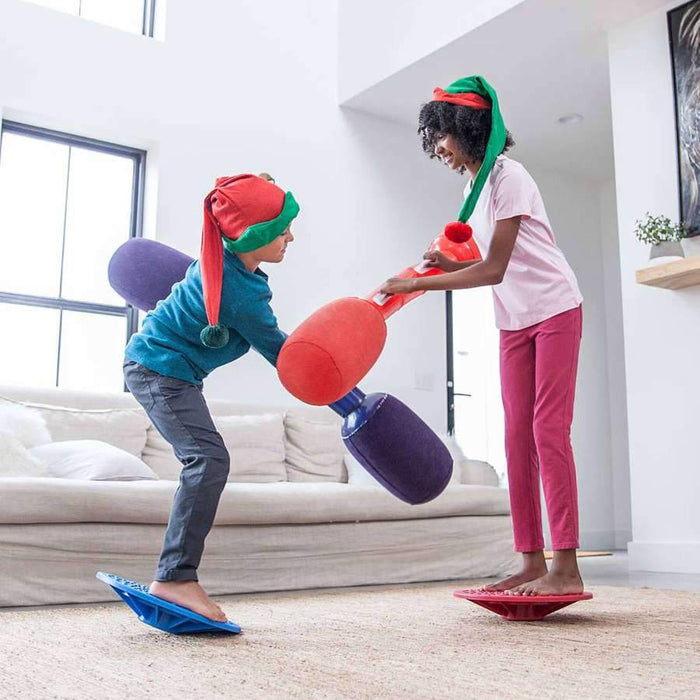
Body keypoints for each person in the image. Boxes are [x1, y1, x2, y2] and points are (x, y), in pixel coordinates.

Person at [380, 76, 584, 596]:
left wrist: (417, 283)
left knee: (547, 431)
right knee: (516, 436)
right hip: (513, 318)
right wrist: (444, 264)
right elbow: (487, 265)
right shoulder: (472, 188)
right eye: (434, 139)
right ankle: (531, 562)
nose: (439, 148)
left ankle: (566, 566)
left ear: (468, 129)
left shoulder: (510, 176)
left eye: (443, 136)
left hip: (556, 308)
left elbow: (493, 269)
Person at [123, 173, 298, 619]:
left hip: (167, 371)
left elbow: (232, 208)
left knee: (208, 459)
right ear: (253, 235)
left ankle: (176, 576)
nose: (291, 238)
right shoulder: (240, 293)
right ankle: (175, 579)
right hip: (158, 370)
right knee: (208, 460)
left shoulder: (221, 254)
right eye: (282, 230)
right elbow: (283, 355)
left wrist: (258, 186)